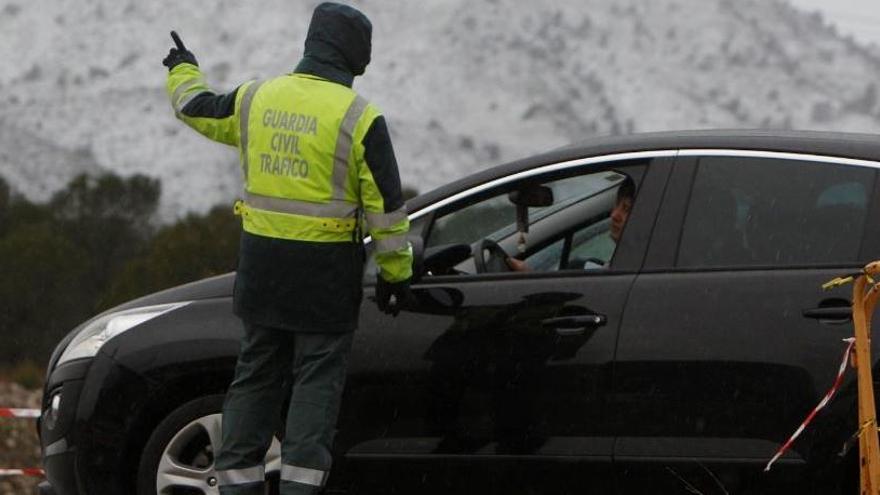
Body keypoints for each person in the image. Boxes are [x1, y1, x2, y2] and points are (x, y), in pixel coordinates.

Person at [162, 3, 412, 494]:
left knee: (254, 381)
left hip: (263, 277)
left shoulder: (257, 98)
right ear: (356, 57)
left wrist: (183, 68)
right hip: (325, 284)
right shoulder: (360, 118)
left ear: (312, 44)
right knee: (314, 390)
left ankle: (236, 485)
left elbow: (195, 107)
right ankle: (299, 487)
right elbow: (387, 211)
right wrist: (395, 275)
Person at [506, 175, 635, 271]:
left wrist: (531, 281)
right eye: (616, 205)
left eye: (626, 209)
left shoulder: (632, 268)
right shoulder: (627, 265)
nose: (614, 215)